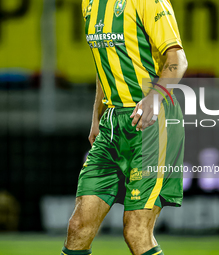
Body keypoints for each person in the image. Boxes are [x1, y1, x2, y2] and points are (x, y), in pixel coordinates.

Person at [61, 0, 187, 254]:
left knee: (136, 230)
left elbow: (178, 59)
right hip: (112, 124)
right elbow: (104, 64)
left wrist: (154, 97)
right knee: (78, 226)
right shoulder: (89, 3)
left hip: (152, 123)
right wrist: (97, 117)